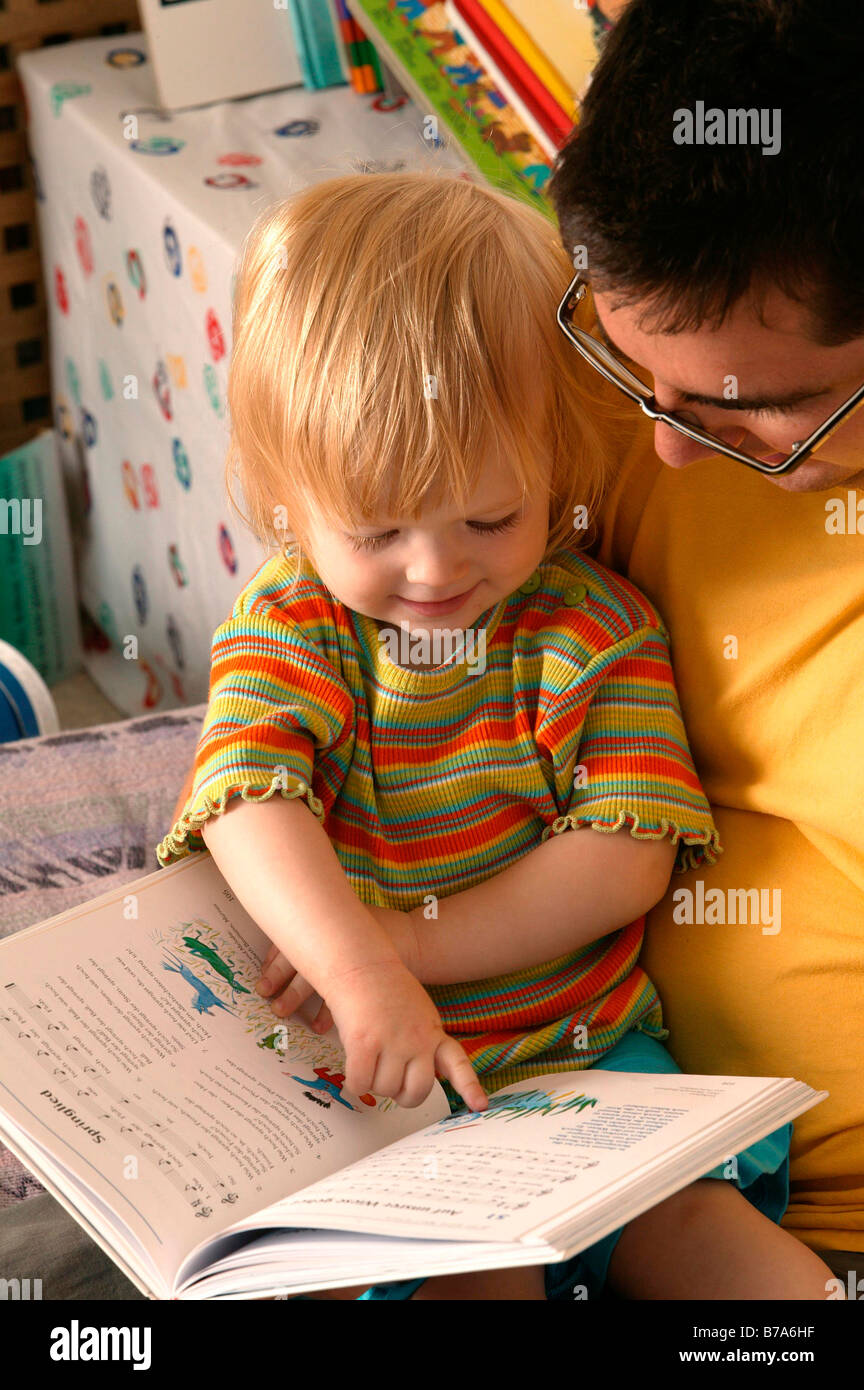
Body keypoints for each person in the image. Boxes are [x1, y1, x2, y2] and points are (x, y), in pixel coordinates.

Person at [150, 169, 832, 1301]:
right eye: (376, 526)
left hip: (590, 1075)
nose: (437, 569)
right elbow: (245, 798)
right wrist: (360, 970)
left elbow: (623, 853)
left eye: (490, 517)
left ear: (559, 464)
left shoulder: (587, 626)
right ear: (286, 497)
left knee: (750, 1271)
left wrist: (410, 947)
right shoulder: (295, 624)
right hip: (391, 1113)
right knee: (479, 1282)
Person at [546, 0, 864, 1288]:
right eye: (637, 376)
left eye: (759, 416)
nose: (668, 449)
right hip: (547, 1150)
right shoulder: (628, 379)